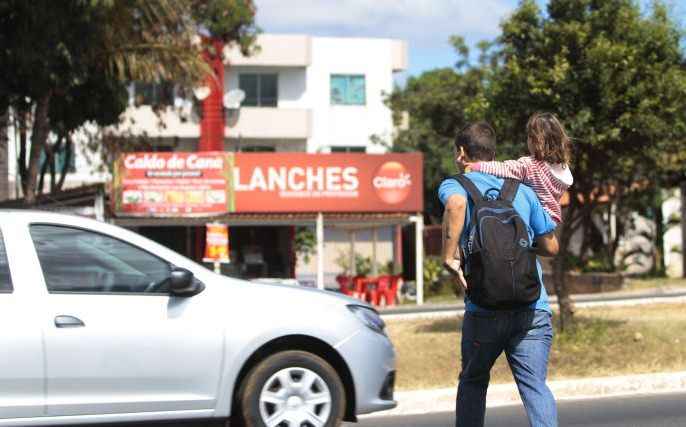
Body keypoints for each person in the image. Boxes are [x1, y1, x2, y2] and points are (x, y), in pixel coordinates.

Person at [440, 122, 560, 427]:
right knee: (535, 387)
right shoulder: (522, 190)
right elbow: (551, 246)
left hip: (484, 310)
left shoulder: (455, 185)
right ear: (493, 155)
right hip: (532, 308)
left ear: (462, 153)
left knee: (474, 382)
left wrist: (448, 257)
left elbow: (455, 205)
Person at [467, 112, 573, 224]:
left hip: (535, 220)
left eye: (529, 136)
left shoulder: (530, 165)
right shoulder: (563, 169)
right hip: (553, 221)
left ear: (535, 140)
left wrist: (477, 166)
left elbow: (504, 169)